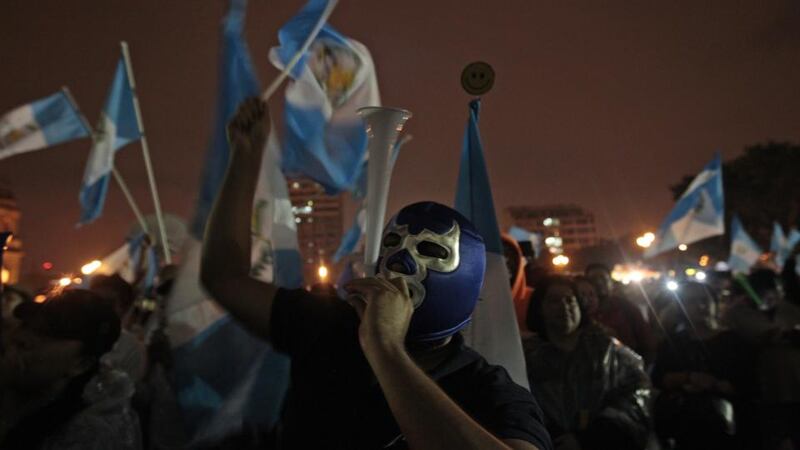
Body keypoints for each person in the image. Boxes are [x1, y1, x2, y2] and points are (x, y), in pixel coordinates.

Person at [200, 98, 552, 450]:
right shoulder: (328, 326)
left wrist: (386, 349)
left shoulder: (490, 391)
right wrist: (245, 157)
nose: (401, 259)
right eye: (393, 243)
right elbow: (224, 277)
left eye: (430, 250)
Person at [0, 289, 141, 450]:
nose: (22, 338)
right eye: (26, 325)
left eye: (46, 334)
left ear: (81, 364)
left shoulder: (92, 435)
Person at [523, 276, 651, 450]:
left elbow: (636, 391)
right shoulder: (527, 355)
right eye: (554, 301)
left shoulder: (606, 349)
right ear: (539, 309)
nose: (564, 307)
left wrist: (592, 436)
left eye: (570, 300)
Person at [651, 281, 758, 450]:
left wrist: (715, 385)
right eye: (691, 301)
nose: (700, 306)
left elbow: (748, 383)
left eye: (704, 300)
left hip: (725, 426)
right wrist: (687, 378)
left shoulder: (733, 341)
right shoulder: (673, 343)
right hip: (683, 426)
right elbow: (658, 378)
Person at [723, 269, 800, 450]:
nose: (773, 297)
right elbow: (764, 336)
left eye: (777, 291)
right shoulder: (738, 313)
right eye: (766, 292)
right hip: (762, 389)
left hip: (794, 384)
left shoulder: (789, 309)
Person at [585, 263, 656, 364]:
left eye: (603, 279)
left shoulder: (628, 308)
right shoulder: (583, 311)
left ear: (611, 282)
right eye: (593, 280)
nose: (599, 283)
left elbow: (647, 343)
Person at [502, 234, 533, 333]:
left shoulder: (533, 300)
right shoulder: (474, 300)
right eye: (500, 255)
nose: (505, 261)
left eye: (508, 255)